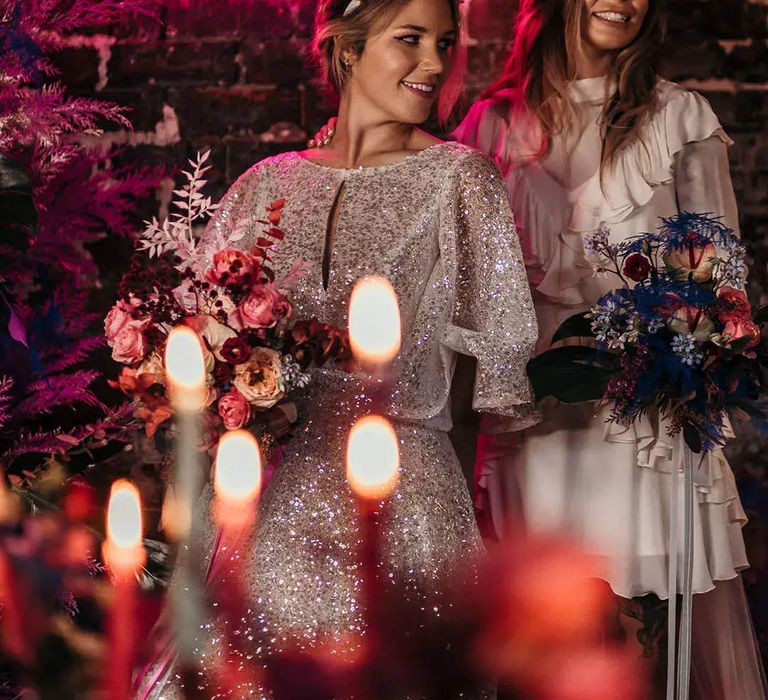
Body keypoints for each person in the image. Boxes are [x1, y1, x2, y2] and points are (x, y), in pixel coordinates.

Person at [312, 0, 767, 696]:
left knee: (631, 657)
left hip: (639, 442)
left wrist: (686, 339)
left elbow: (724, 290)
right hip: (527, 437)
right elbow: (449, 276)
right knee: (533, 647)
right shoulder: (489, 127)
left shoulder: (681, 119)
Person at [137, 0, 537, 697]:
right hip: (266, 503)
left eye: (444, 43)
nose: (436, 63)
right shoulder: (265, 184)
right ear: (347, 50)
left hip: (404, 502)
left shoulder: (460, 180)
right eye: (410, 39)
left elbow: (489, 384)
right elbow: (196, 341)